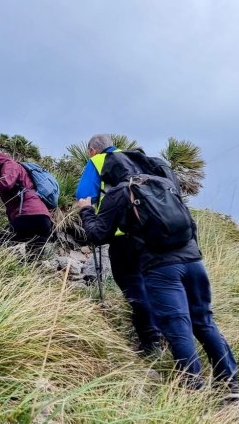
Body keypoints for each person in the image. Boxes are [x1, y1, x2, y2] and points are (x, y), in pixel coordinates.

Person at [76, 156, 239, 399]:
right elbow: (191, 225)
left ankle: (192, 388)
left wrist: (86, 211)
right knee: (204, 321)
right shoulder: (165, 183)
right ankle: (229, 384)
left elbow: (98, 235)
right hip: (194, 262)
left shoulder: (120, 192)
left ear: (108, 176)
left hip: (162, 269)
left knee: (177, 325)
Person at [76, 134, 162, 355]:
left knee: (133, 285)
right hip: (156, 233)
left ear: (93, 150)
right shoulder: (136, 159)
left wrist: (90, 213)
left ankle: (151, 342)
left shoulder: (97, 161)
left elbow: (84, 195)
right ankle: (168, 333)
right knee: (154, 284)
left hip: (123, 235)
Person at [0, 151, 52, 260]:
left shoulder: (10, 165)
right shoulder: (16, 172)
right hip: (43, 219)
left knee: (0, 240)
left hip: (30, 215)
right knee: (33, 259)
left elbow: (5, 184)